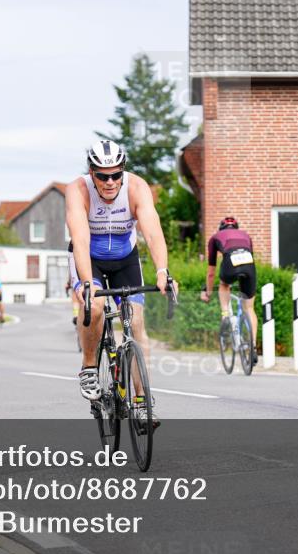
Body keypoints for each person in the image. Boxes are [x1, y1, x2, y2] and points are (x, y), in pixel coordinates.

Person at [66, 139, 174, 425]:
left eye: (116, 174)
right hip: (90, 258)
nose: (110, 182)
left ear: (123, 171)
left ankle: (141, 403)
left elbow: (152, 233)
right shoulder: (77, 190)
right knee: (97, 305)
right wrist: (87, 283)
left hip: (126, 258)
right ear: (92, 173)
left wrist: (162, 271)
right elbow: (79, 238)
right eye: (103, 176)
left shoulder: (137, 187)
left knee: (137, 323)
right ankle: (89, 366)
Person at [200, 217, 258, 366]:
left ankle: (225, 314)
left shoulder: (214, 238)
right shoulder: (246, 235)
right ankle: (253, 346)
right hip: (249, 265)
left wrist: (208, 292)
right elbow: (248, 259)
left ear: (221, 228)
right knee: (250, 308)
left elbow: (211, 272)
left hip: (230, 262)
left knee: (224, 284)